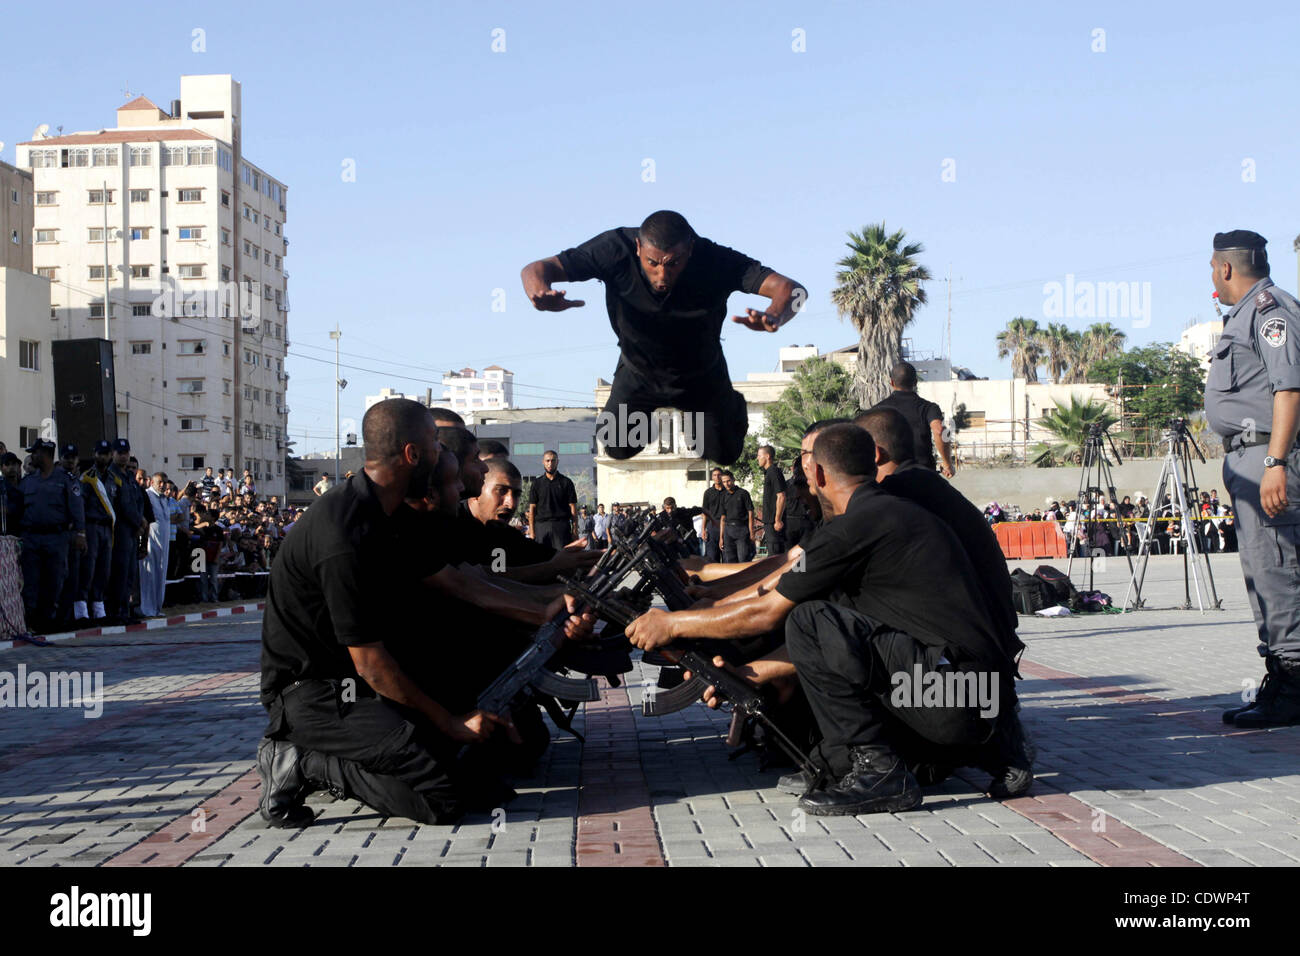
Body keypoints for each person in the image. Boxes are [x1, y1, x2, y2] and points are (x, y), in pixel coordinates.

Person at [626, 424, 1026, 815]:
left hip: (945, 696)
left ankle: (880, 772)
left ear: (816, 473)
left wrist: (673, 623)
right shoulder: (893, 514)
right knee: (830, 755)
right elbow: (843, 634)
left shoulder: (854, 528)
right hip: (979, 700)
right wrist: (750, 672)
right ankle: (981, 752)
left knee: (806, 619)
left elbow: (768, 611)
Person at [256, 398, 582, 828]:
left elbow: (463, 582)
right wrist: (450, 723)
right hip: (313, 694)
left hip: (354, 685)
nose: (443, 450)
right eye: (435, 441)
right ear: (414, 454)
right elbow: (370, 663)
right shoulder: (344, 530)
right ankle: (304, 761)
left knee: (483, 781)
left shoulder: (387, 515)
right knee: (443, 797)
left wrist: (546, 608)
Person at [522, 210, 805, 465]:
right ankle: (648, 418)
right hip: (638, 373)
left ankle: (731, 406)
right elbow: (535, 268)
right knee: (616, 445)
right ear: (637, 248)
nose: (662, 274)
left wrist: (774, 316)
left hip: (701, 376)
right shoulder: (613, 250)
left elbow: (794, 291)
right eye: (652, 263)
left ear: (690, 250)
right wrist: (539, 291)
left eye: (673, 264)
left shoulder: (715, 260)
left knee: (722, 453)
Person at [1206, 230, 1300, 727]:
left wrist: (1275, 463)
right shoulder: (1243, 315)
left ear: (1225, 268)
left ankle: (1295, 684)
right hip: (1249, 455)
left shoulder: (1270, 310)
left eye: (1211, 268)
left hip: (1267, 454)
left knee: (1278, 569)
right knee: (1262, 570)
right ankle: (1281, 678)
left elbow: (1290, 390)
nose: (1211, 278)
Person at [16, 439, 86, 633]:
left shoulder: (65, 480)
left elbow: (77, 509)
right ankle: (31, 621)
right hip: (31, 539)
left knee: (54, 581)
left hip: (57, 539)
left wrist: (80, 533)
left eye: (35, 453)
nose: (32, 457)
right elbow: (17, 508)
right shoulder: (28, 481)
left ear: (45, 454)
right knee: (31, 583)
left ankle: (49, 622)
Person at [870, 361, 954, 477]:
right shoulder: (929, 408)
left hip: (890, 479)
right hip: (924, 476)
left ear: (892, 382)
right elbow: (939, 430)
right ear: (915, 382)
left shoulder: (877, 410)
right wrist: (947, 464)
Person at [75, 440, 121, 624]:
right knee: (88, 568)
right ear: (94, 454)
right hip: (91, 526)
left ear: (111, 456)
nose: (103, 457)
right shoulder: (87, 478)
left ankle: (98, 608)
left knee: (104, 568)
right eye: (100, 453)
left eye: (106, 453)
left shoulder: (113, 479)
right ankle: (81, 609)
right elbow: (80, 506)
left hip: (107, 528)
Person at [528, 450, 578, 550]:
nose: (550, 463)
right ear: (543, 462)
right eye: (547, 461)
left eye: (553, 460)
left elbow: (573, 508)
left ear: (557, 462)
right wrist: (532, 532)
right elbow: (532, 509)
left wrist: (575, 531)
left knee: (562, 561)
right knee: (542, 561)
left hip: (561, 527)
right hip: (541, 527)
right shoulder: (536, 484)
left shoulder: (566, 482)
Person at [139, 473, 171, 618]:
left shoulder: (165, 499)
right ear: (152, 482)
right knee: (148, 576)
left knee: (160, 575)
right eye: (159, 482)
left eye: (164, 482)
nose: (162, 485)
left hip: (164, 544)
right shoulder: (147, 496)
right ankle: (147, 609)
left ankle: (157, 607)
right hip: (150, 542)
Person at [757, 445, 788, 556]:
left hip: (774, 522)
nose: (757, 458)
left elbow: (781, 496)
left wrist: (778, 520)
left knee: (775, 555)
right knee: (772, 553)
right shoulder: (768, 473)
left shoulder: (774, 471)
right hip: (769, 522)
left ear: (767, 456)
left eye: (759, 455)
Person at [718, 470, 755, 563]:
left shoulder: (743, 493)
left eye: (728, 481)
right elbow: (722, 518)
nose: (726, 484)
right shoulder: (723, 496)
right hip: (728, 531)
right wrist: (721, 537)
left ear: (733, 480)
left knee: (743, 559)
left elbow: (751, 513)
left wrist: (751, 532)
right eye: (724, 482)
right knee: (729, 561)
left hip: (742, 530)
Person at [701, 467, 725, 563]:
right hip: (712, 526)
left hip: (725, 526)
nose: (717, 477)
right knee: (712, 557)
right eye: (714, 475)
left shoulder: (728, 491)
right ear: (712, 477)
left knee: (726, 556)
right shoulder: (708, 493)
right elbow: (705, 512)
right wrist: (703, 529)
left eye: (719, 475)